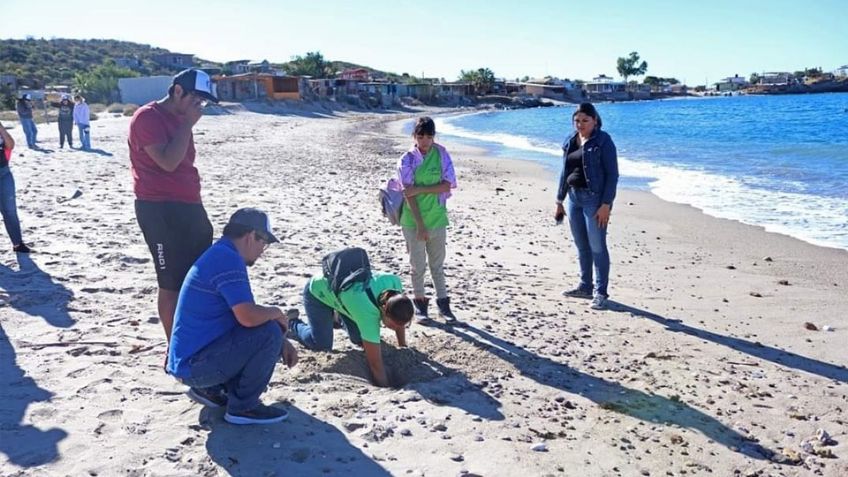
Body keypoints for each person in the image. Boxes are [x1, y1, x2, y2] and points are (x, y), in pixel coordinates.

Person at [167, 208, 298, 425]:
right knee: (270, 332)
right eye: (263, 243)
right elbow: (248, 317)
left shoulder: (220, 253)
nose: (262, 251)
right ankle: (243, 407)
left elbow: (243, 318)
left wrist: (281, 339)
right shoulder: (228, 259)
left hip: (187, 362)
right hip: (195, 366)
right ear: (250, 236)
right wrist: (277, 314)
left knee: (269, 329)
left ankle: (210, 390)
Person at [128, 68, 218, 347]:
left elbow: (183, 163)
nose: (199, 107)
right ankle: (176, 349)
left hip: (190, 205)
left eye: (203, 102)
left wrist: (185, 123)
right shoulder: (148, 118)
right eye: (196, 100)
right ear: (178, 91)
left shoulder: (179, 119)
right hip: (158, 209)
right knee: (171, 282)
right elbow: (168, 162)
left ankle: (198, 337)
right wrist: (187, 125)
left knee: (199, 278)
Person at [288, 268, 413, 387]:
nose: (396, 327)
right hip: (318, 291)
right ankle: (292, 322)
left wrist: (402, 345)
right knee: (321, 344)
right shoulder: (367, 314)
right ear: (384, 309)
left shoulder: (394, 284)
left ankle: (336, 317)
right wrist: (386, 387)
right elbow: (375, 365)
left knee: (359, 338)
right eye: (394, 325)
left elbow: (399, 314)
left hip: (347, 295)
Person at [555, 102, 619, 310]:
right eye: (577, 121)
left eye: (585, 120)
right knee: (582, 245)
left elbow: (612, 175)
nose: (580, 125)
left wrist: (606, 204)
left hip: (595, 201)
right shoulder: (570, 140)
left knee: (597, 246)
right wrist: (559, 200)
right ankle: (585, 286)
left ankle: (601, 292)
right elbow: (565, 172)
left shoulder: (603, 141)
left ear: (595, 121)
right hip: (574, 199)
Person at [397, 116, 459, 323]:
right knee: (417, 266)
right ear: (414, 136)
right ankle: (421, 306)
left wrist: (421, 189)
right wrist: (420, 225)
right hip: (413, 220)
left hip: (438, 218)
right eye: (421, 136)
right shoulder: (407, 159)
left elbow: (447, 185)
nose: (425, 141)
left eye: (429, 136)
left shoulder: (441, 154)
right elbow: (408, 194)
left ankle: (444, 306)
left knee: (437, 265)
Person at [0, 122, 31, 253]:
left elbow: (10, 145)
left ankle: (18, 244)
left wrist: (1, 127)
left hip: (4, 172)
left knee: (10, 210)